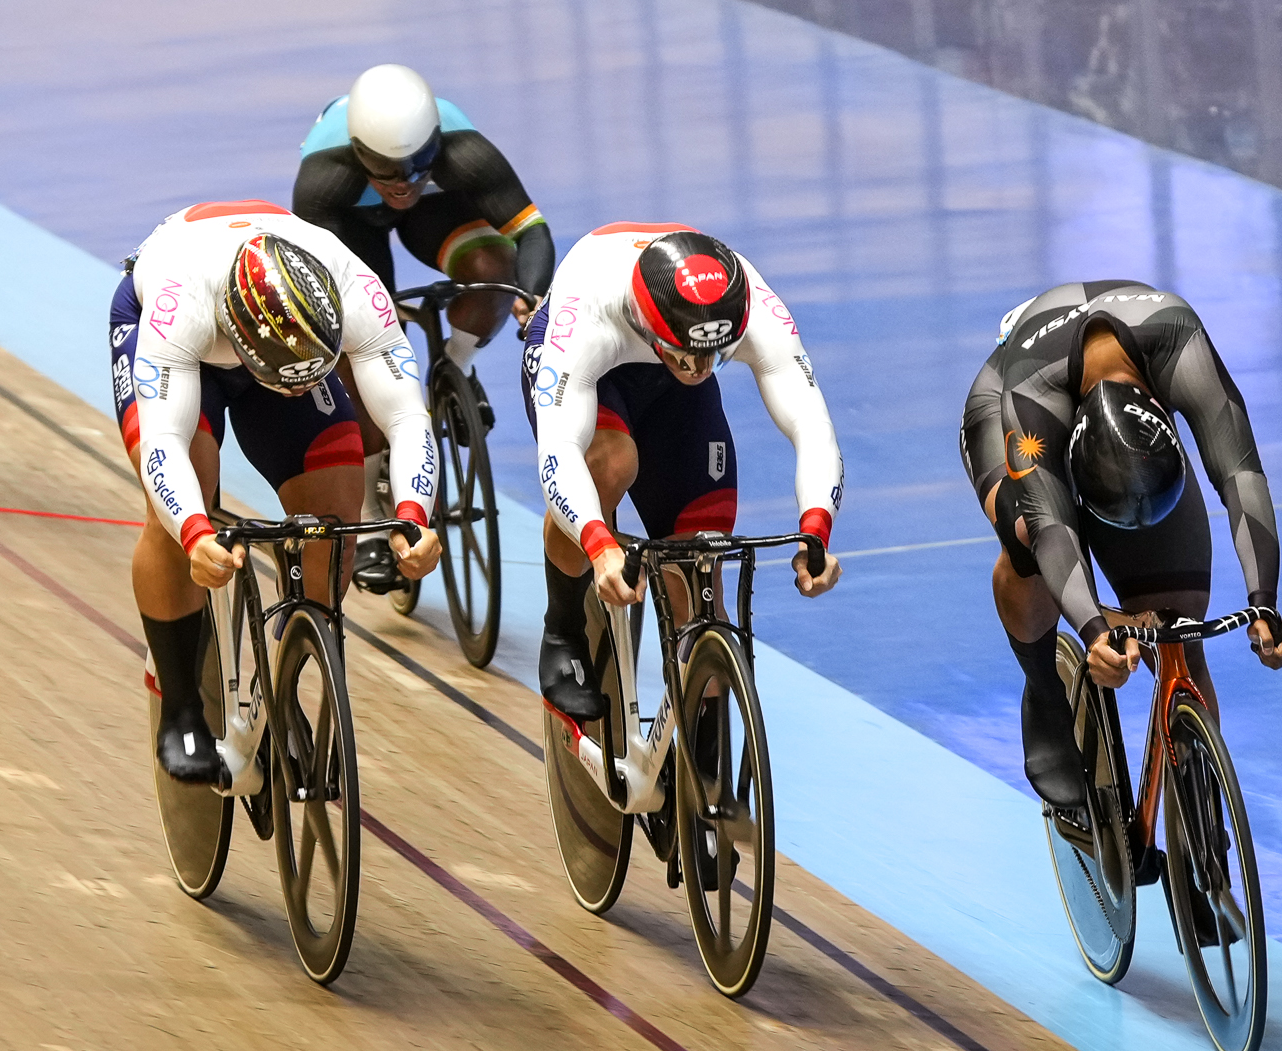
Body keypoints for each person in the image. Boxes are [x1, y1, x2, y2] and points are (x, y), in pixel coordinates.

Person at [112, 199, 442, 784]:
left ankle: (280, 683)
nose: (295, 395)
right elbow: (162, 442)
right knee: (185, 488)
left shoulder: (350, 284)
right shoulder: (178, 303)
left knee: (335, 517)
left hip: (288, 340)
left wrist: (413, 516)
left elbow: (409, 420)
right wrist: (192, 533)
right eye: (284, 383)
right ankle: (181, 704)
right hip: (176, 340)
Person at [960, 280, 1282, 809]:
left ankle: (1199, 825)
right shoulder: (1032, 392)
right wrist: (1095, 632)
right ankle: (1045, 692)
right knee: (1028, 536)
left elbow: (1242, 476)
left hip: (1131, 376)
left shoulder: (1180, 346)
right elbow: (1055, 527)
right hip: (1015, 396)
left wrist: (1266, 602)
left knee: (1180, 629)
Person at [521, 223, 844, 721]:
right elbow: (558, 449)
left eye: (712, 356)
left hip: (667, 383)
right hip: (593, 369)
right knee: (608, 462)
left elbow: (811, 423)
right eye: (686, 354)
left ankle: (701, 771)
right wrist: (598, 544)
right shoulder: (589, 313)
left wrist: (816, 527)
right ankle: (562, 627)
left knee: (698, 570)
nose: (698, 367)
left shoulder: (749, 304)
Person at [294, 63, 553, 592]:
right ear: (359, 153)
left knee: (493, 269)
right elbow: (313, 282)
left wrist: (532, 299)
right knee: (356, 346)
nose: (405, 181)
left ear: (437, 142)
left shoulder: (465, 151)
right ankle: (370, 516)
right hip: (352, 224)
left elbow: (532, 233)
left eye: (419, 165)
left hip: (440, 210)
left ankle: (456, 367)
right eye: (389, 171)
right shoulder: (324, 176)